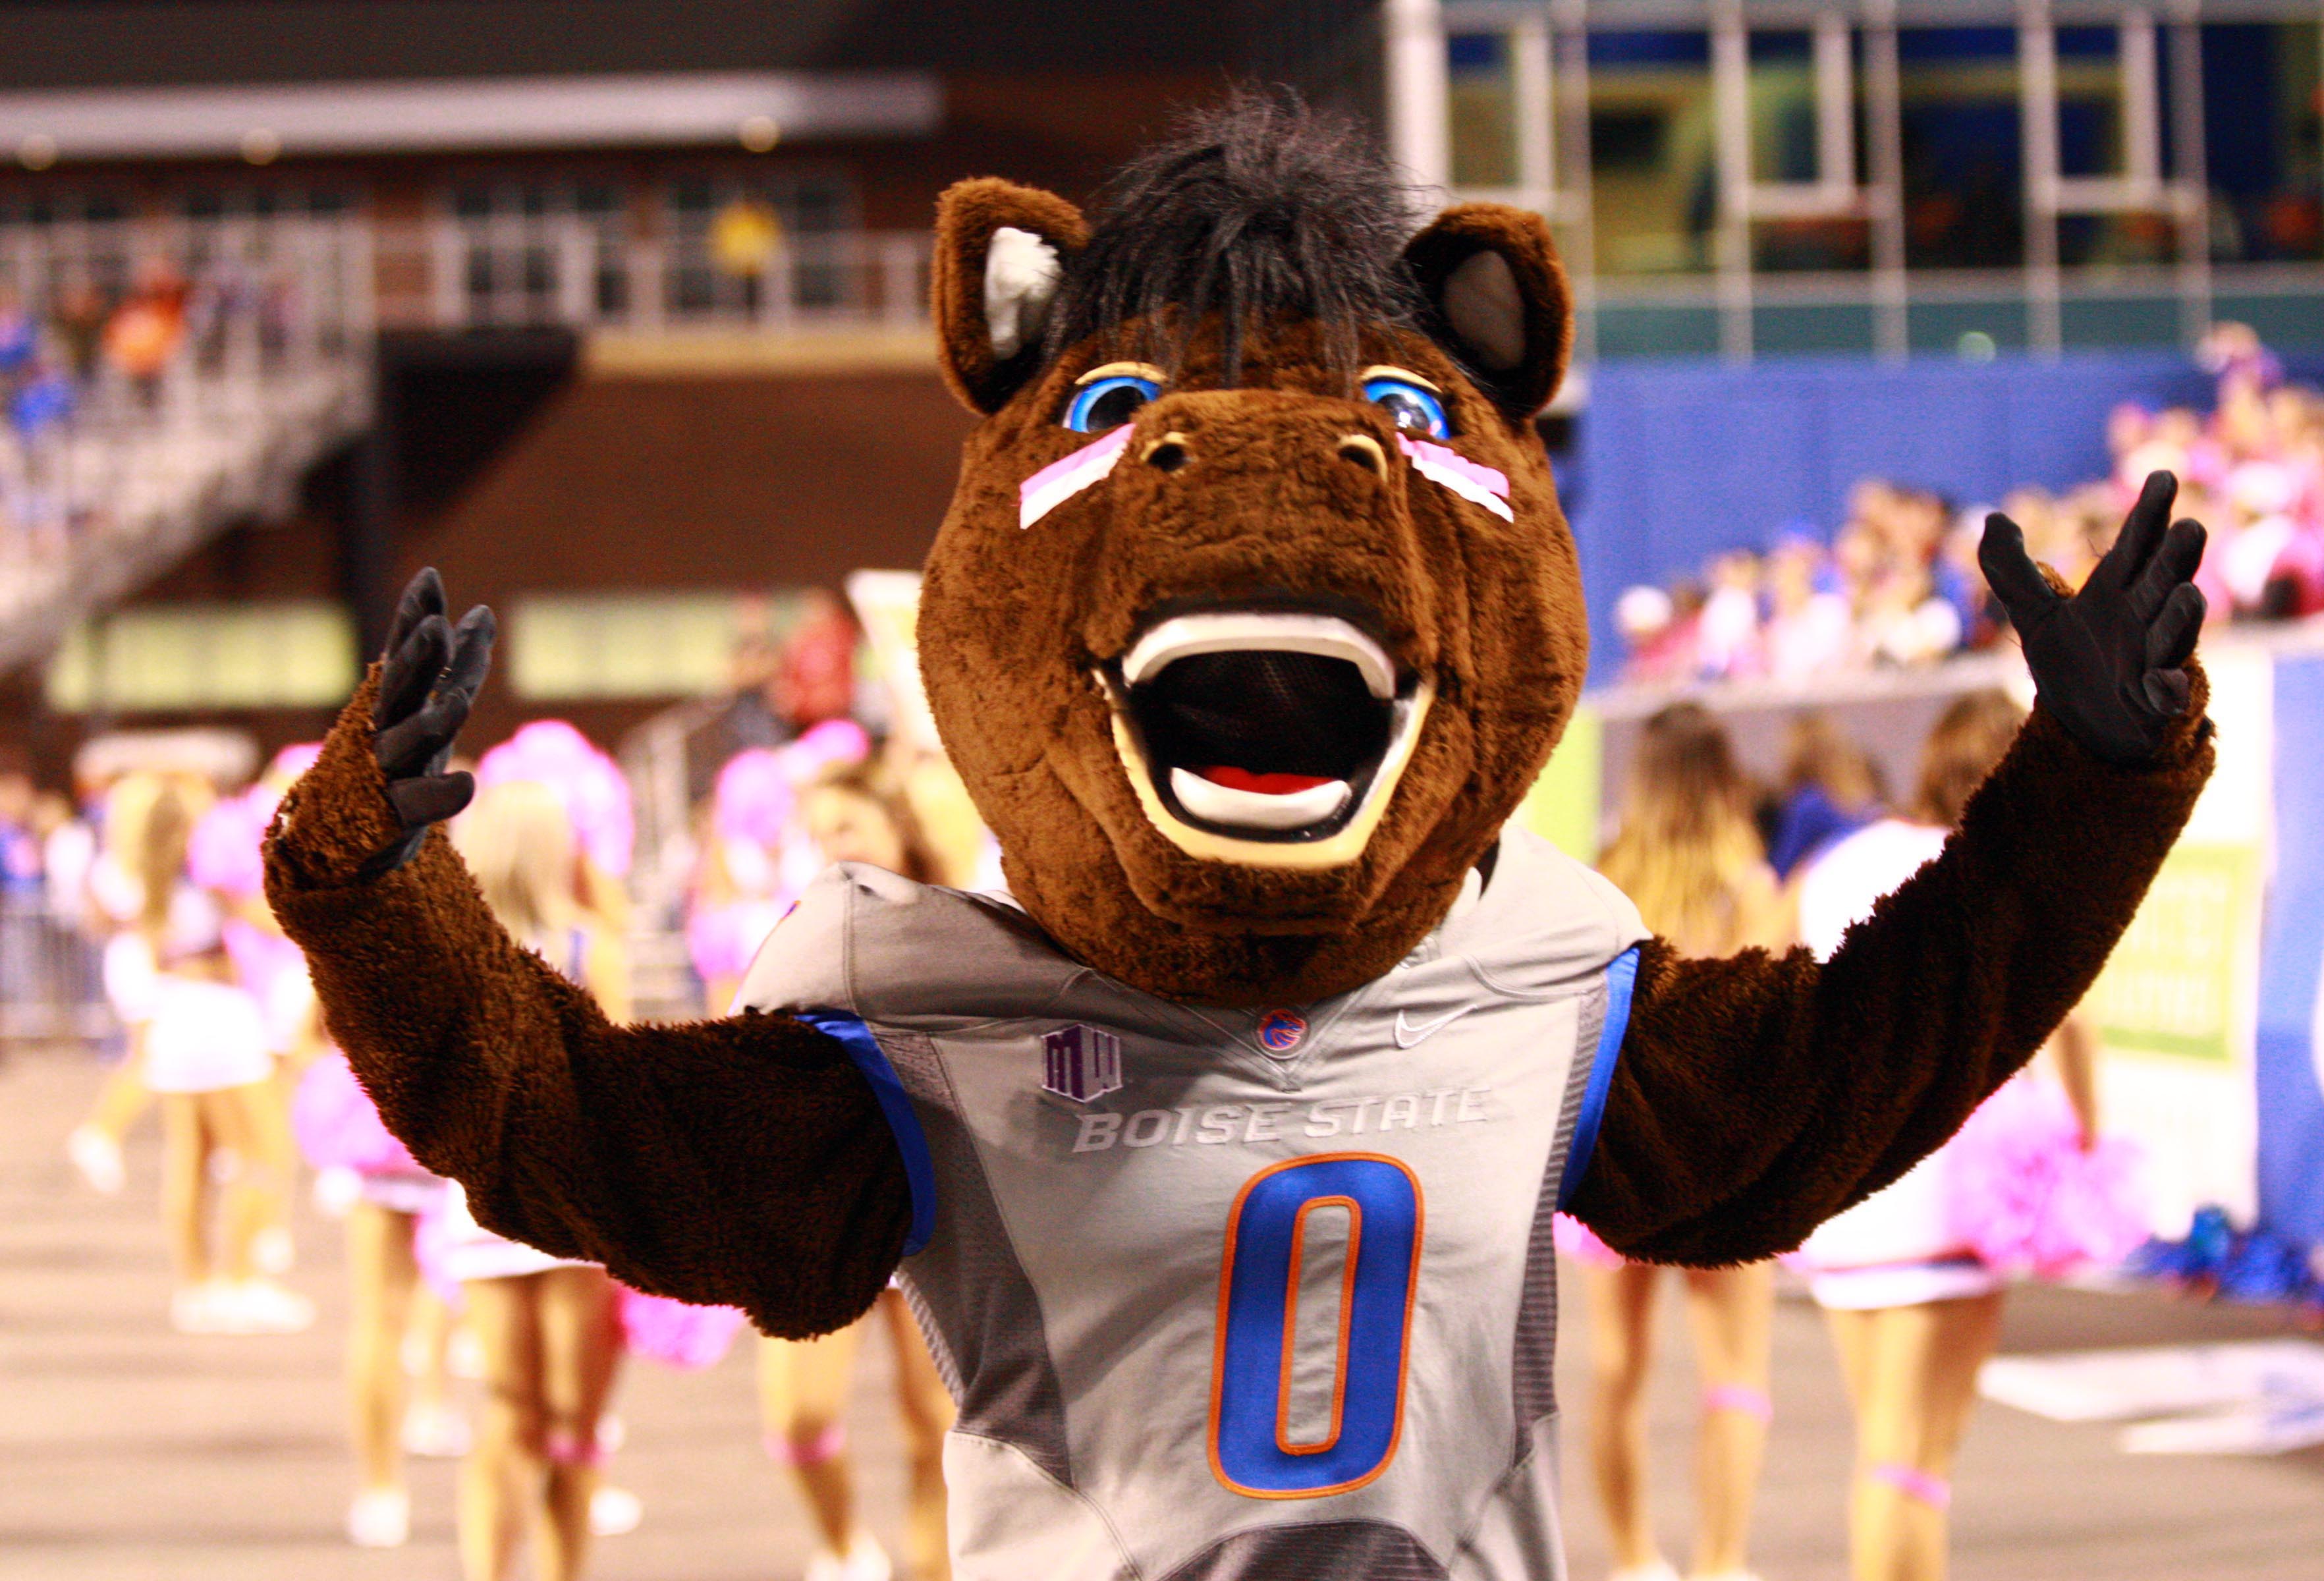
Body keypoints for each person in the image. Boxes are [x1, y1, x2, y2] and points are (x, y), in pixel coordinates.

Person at [263, 100, 2211, 1581]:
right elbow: (577, 1130)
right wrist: (375, 896)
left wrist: (2084, 793)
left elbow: (1858, 1068)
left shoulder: (1535, 966)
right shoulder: (924, 1012)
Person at [1793, 691, 2135, 1581]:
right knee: (1911, 1461)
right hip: (1949, 1187)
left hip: (1845, 1183)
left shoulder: (1840, 864)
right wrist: (2087, 1141)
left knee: (1889, 1451)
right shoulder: (2004, 870)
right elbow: (2073, 1020)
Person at [1577, 704, 1787, 1581]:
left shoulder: (1603, 879)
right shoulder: (1751, 886)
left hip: (1618, 1152)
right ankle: (1721, 1564)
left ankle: (1632, 1562)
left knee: (1617, 1368)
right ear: (1722, 775)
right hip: (1723, 1154)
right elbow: (1776, 1028)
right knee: (1734, 1373)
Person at [759, 761, 955, 1581]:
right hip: (823, 1219)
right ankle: (842, 1545)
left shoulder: (963, 939)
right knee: (799, 1419)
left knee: (936, 1431)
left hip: (938, 1216)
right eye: (816, 831)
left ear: (899, 838)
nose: (827, 847)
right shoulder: (787, 939)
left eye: (846, 827)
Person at [437, 778, 633, 1581]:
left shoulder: (451, 959)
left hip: (480, 1198)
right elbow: (621, 1080)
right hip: (576, 1200)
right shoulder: (593, 948)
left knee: (511, 1414)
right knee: (571, 1422)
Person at [111, 777, 310, 1334]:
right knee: (262, 1154)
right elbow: (269, 921)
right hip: (221, 1018)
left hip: (174, 1014)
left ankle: (197, 1287)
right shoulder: (209, 874)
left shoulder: (146, 880)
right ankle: (242, 1282)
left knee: (190, 1162)